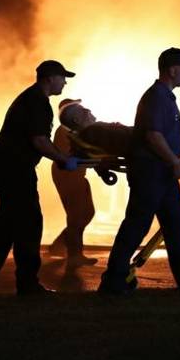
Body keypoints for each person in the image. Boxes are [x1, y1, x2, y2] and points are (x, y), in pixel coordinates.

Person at [0, 60, 80, 295]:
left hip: (6, 165)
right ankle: (27, 284)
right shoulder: (38, 103)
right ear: (50, 78)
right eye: (62, 77)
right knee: (30, 223)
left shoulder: (30, 98)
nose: (65, 82)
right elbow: (40, 141)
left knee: (6, 227)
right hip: (14, 169)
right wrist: (63, 159)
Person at [98, 48, 180, 296]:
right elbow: (153, 135)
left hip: (161, 175)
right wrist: (174, 162)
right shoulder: (157, 97)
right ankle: (113, 281)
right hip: (151, 173)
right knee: (136, 227)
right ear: (172, 70)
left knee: (176, 227)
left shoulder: (164, 97)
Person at [48, 98, 98, 268]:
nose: (84, 110)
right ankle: (74, 255)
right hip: (67, 175)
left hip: (77, 175)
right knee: (76, 215)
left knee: (88, 212)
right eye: (80, 109)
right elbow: (65, 157)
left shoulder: (75, 131)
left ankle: (60, 245)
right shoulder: (63, 132)